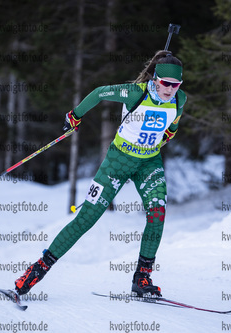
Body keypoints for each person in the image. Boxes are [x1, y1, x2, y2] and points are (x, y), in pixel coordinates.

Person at [13, 50, 186, 298]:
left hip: (149, 162)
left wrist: (165, 136)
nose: (170, 89)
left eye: (176, 84)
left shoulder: (180, 99)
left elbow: (174, 125)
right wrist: (75, 116)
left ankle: (142, 278)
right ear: (155, 79)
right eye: (166, 83)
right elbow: (99, 92)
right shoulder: (135, 93)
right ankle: (36, 271)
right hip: (118, 162)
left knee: (157, 213)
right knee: (87, 218)